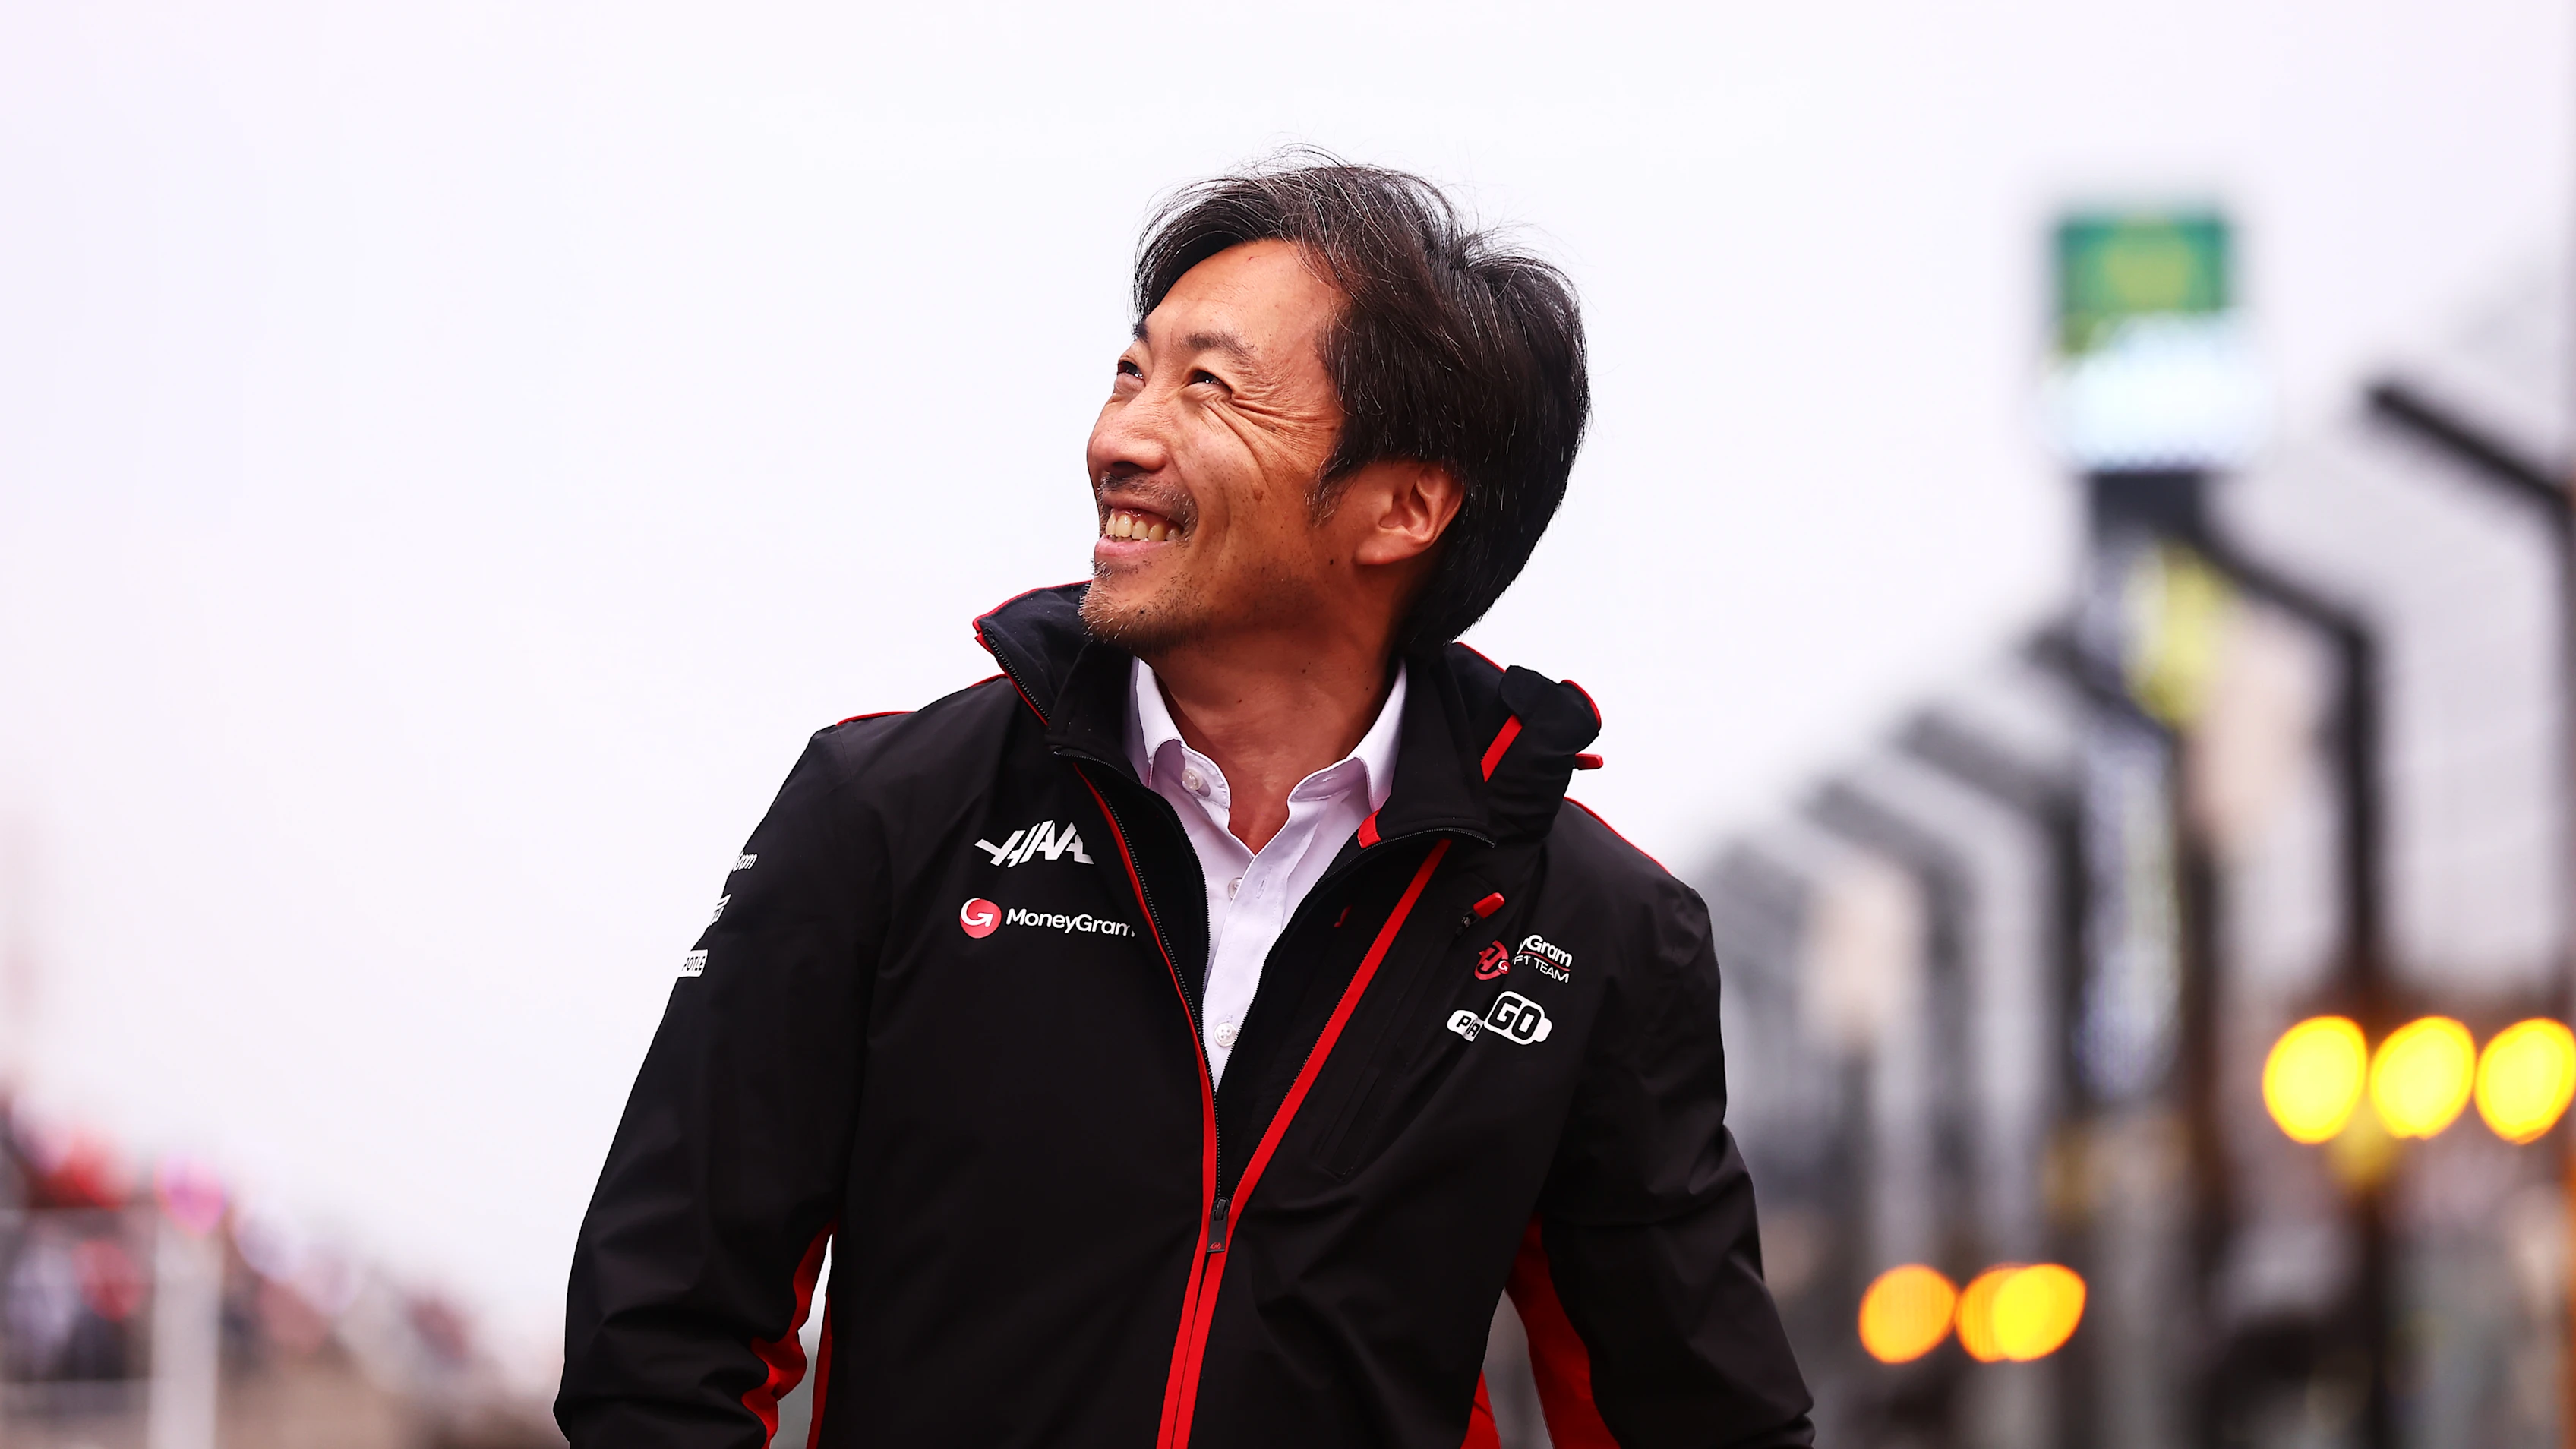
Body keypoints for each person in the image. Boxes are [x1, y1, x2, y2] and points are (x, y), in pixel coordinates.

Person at [556, 153, 1814, 1449]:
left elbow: (1696, 1421)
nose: (1121, 439)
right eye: (1130, 372)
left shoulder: (1594, 929)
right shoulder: (886, 813)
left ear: (1403, 507)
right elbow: (660, 1340)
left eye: (1207, 385)